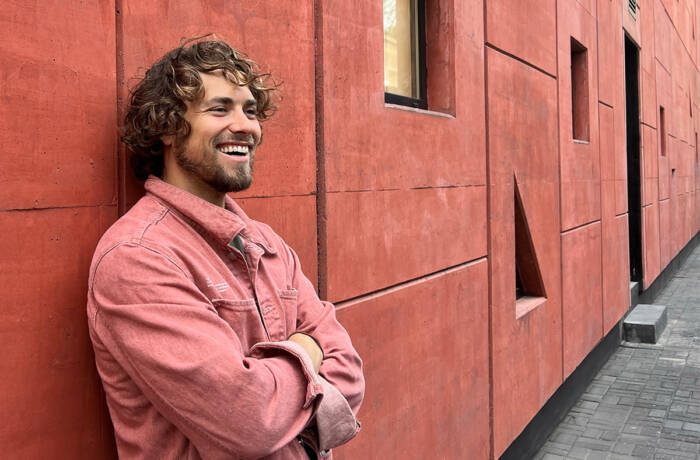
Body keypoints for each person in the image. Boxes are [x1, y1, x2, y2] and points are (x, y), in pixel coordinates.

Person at [87, 39, 364, 460]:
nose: (245, 126)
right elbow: (249, 419)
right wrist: (307, 349)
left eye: (250, 110)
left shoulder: (268, 244)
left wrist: (272, 381)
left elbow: (350, 371)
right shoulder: (139, 257)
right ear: (166, 126)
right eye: (219, 109)